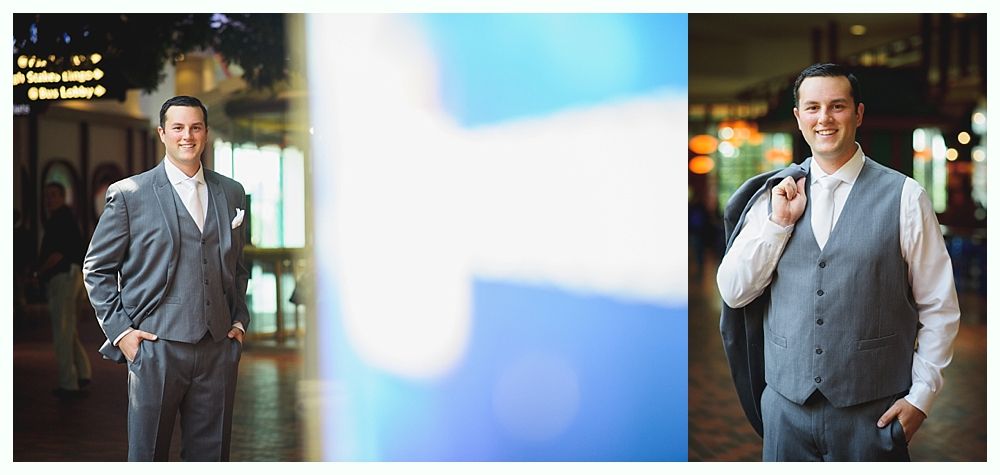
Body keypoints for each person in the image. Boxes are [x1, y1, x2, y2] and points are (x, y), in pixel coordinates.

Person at [717, 63, 960, 461]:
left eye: (837, 106)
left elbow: (939, 306)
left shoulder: (905, 196)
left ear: (858, 114)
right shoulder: (772, 197)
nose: (824, 118)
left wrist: (921, 399)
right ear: (799, 118)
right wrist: (779, 225)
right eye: (812, 107)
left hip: (873, 415)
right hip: (785, 410)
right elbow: (734, 291)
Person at [83, 96, 250, 461]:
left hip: (218, 346)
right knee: (148, 456)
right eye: (177, 127)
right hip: (155, 348)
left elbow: (238, 265)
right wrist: (122, 334)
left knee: (212, 457)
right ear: (162, 133)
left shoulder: (232, 192)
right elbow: (96, 269)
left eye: (195, 127)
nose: (186, 136)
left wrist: (238, 321)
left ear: (205, 133)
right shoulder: (130, 194)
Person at [36, 183, 92, 399]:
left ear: (62, 197)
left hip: (63, 278)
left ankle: (68, 384)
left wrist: (38, 273)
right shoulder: (66, 218)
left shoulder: (59, 220)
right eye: (46, 196)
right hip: (72, 276)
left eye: (52, 195)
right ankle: (83, 372)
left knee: (62, 331)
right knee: (68, 329)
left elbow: (57, 255)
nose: (48, 200)